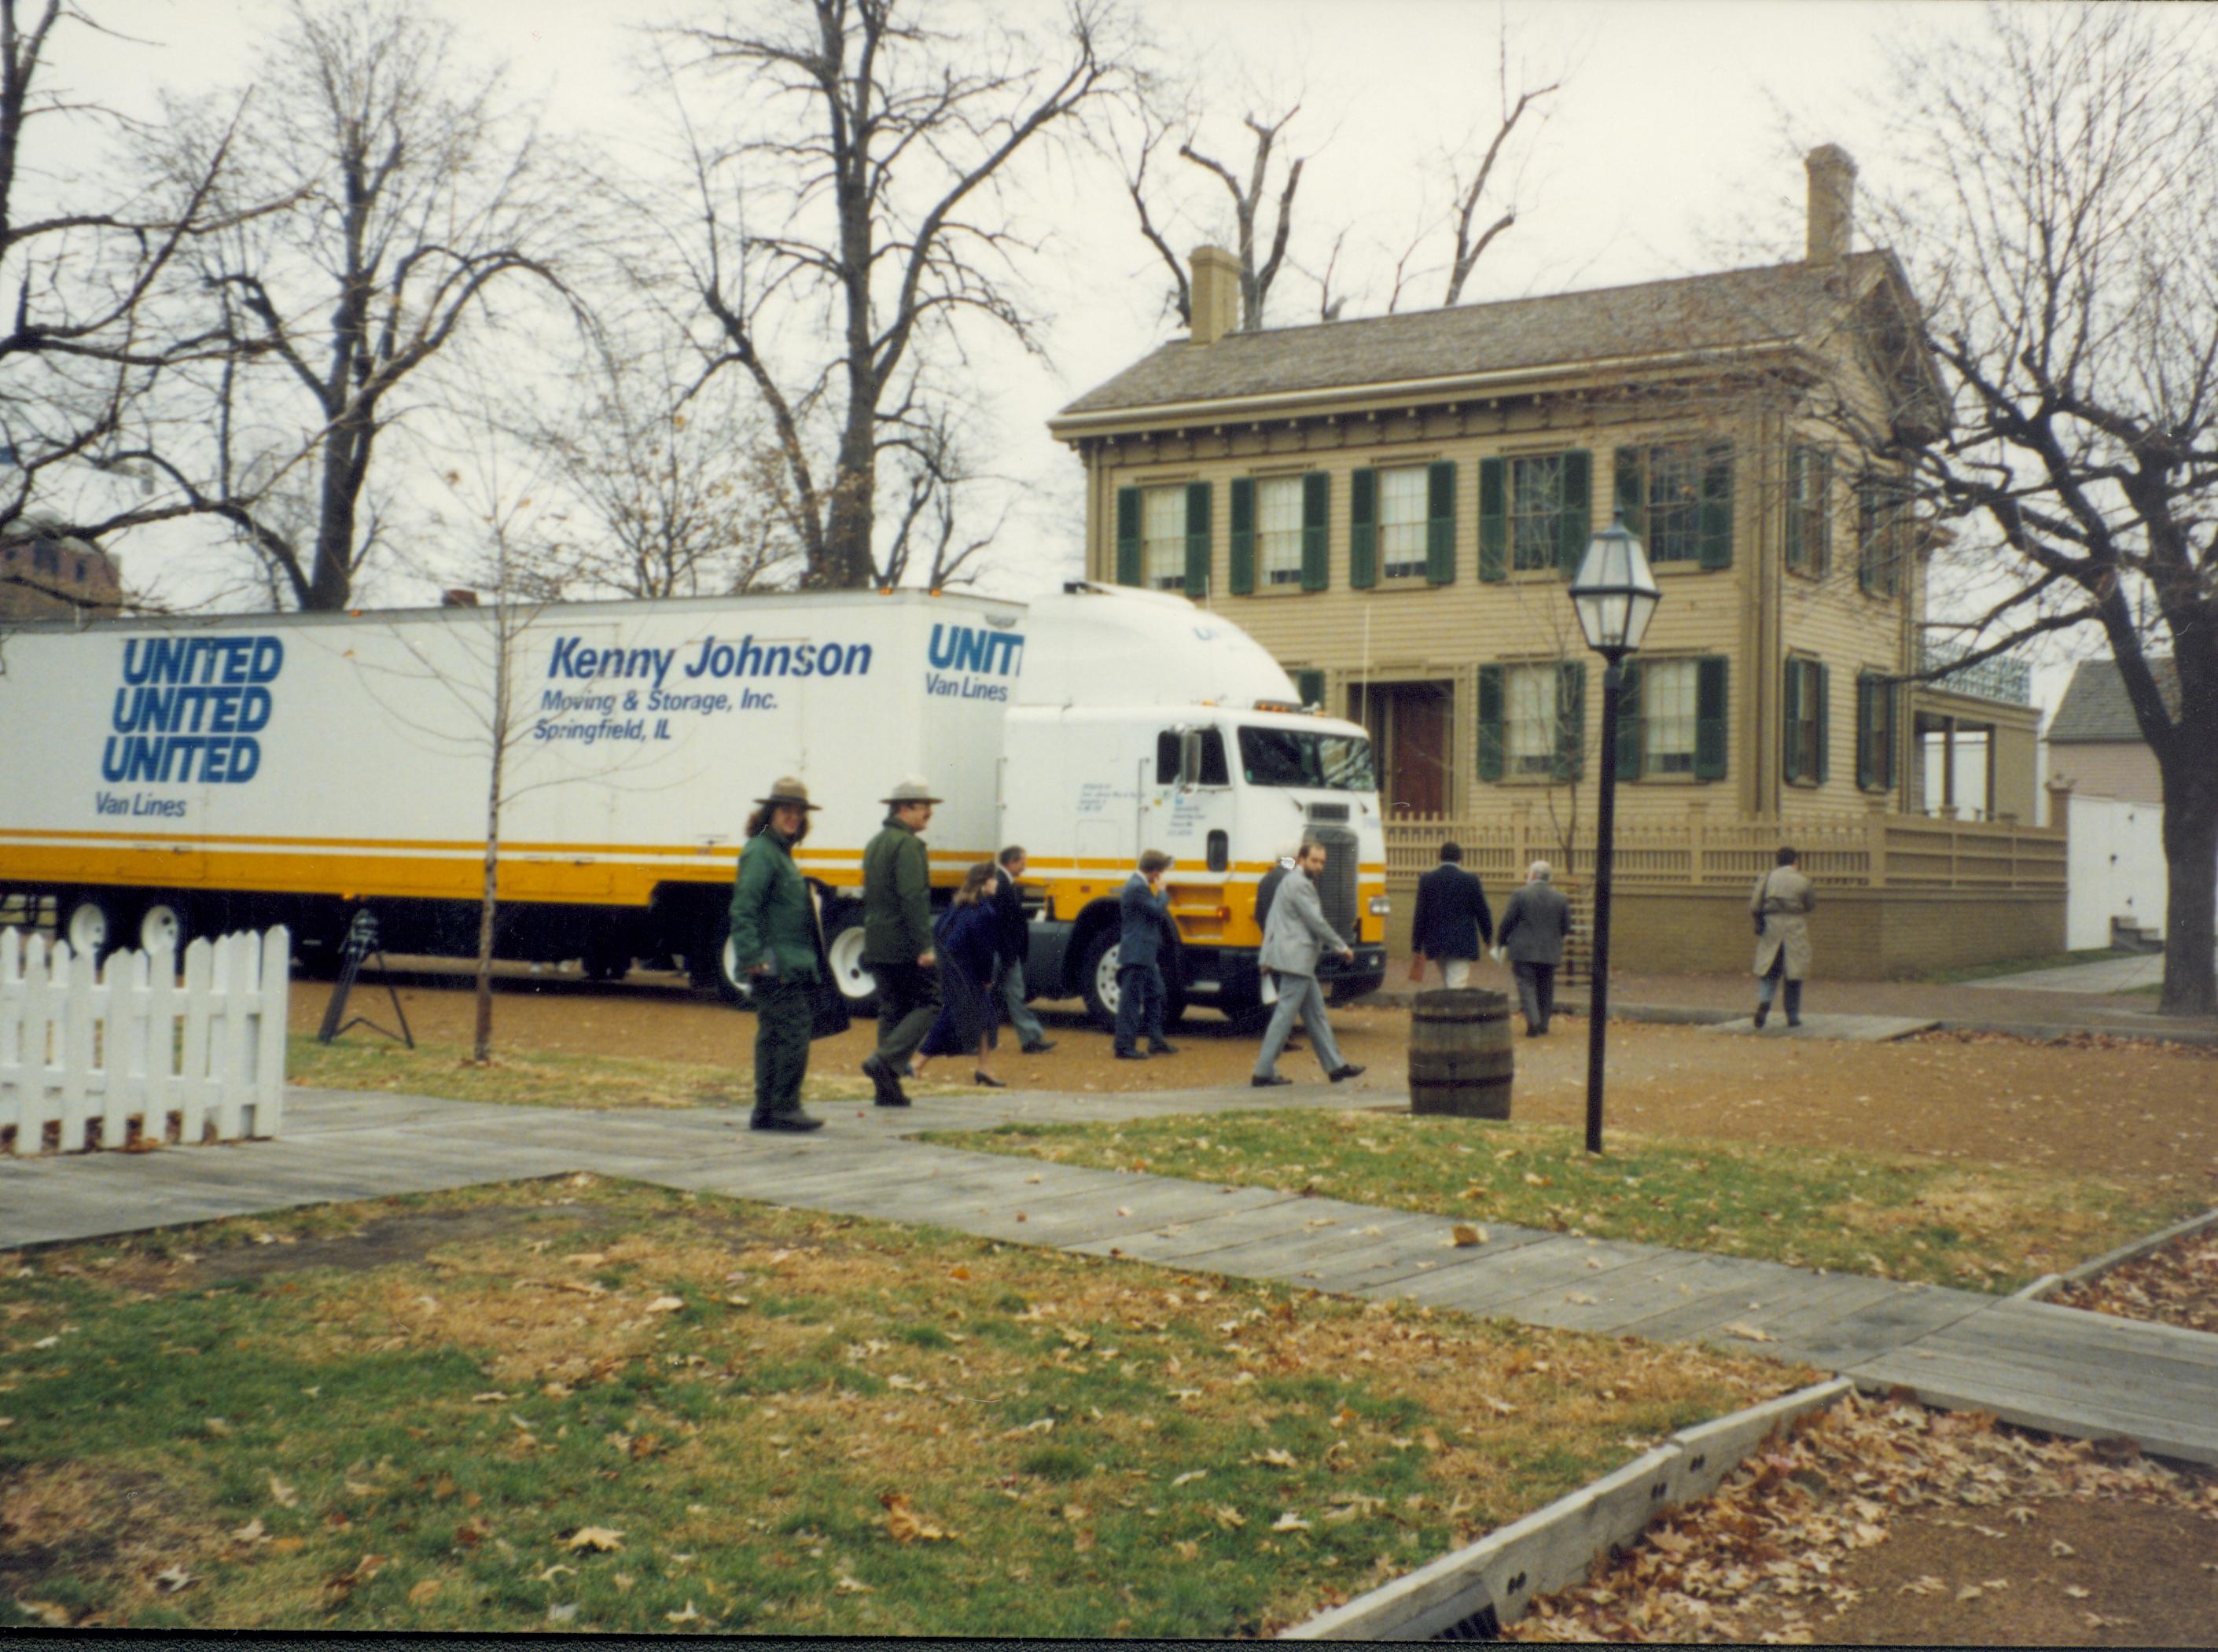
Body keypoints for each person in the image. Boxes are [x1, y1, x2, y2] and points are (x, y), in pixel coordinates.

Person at [727, 776, 832, 1132]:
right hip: (778, 963)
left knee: (774, 1033)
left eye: (799, 812)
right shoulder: (761, 851)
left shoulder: (777, 852)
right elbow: (744, 907)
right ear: (770, 812)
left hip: (786, 961)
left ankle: (767, 1110)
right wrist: (751, 955)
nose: (793, 817)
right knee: (793, 1031)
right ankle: (784, 1106)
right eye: (786, 810)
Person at [1251, 837, 1365, 1087]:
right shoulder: (1301, 885)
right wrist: (1341, 946)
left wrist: (1266, 955)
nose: (1319, 866)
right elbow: (1316, 921)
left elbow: (1271, 919)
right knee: (1284, 1017)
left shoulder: (1288, 881)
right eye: (1314, 860)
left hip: (1294, 958)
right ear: (1301, 860)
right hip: (1297, 959)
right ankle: (1262, 1071)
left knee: (1315, 1015)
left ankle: (1336, 1066)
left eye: (1322, 862)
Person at [860, 777, 942, 1108]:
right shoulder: (908, 846)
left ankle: (887, 1089)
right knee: (931, 1001)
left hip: (876, 940)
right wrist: (924, 944)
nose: (929, 815)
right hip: (903, 943)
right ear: (905, 808)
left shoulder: (876, 842)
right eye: (925, 808)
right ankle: (884, 1060)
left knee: (892, 1008)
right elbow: (913, 898)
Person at [916, 863, 1006, 1087]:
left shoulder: (958, 905)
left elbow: (940, 932)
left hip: (951, 967)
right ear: (986, 883)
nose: (996, 883)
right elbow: (985, 951)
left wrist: (937, 956)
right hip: (968, 973)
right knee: (954, 1017)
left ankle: (985, 1068)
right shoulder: (986, 911)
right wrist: (986, 979)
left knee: (986, 1015)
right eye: (994, 879)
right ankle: (916, 1064)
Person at [1113, 849, 1180, 1060]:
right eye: (1160, 871)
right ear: (1154, 871)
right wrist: (1162, 892)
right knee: (1132, 1000)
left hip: (1143, 953)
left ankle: (1155, 1040)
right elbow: (1156, 910)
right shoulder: (1137, 888)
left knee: (1155, 993)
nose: (1160, 876)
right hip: (1138, 952)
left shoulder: (1138, 886)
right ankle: (1124, 1046)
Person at [991, 845, 1055, 1054]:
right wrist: (1008, 954)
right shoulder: (1002, 884)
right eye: (1022, 861)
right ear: (1011, 862)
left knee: (1007, 996)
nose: (1025, 866)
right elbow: (1001, 923)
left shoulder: (1003, 882)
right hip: (1004, 953)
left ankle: (1030, 1039)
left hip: (1005, 953)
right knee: (1012, 995)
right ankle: (1030, 1039)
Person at [1497, 859, 1570, 1036]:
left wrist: (1501, 941)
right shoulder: (1561, 898)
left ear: (1533, 875)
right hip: (1550, 950)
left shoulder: (1520, 894)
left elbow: (1508, 920)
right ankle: (1544, 1023)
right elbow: (1566, 927)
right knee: (1546, 987)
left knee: (1526, 986)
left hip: (1524, 949)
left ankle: (1533, 1022)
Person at [1408, 841, 1492, 988]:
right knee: (1457, 983)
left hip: (1435, 941)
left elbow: (1420, 914)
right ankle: (1454, 1009)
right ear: (1460, 858)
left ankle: (1449, 1007)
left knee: (1449, 981)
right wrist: (1488, 937)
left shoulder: (1427, 880)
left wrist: (1417, 944)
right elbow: (1482, 911)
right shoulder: (1470, 880)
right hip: (1462, 942)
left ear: (1439, 857)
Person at [1751, 845, 1815, 1028]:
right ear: (1795, 861)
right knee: (1794, 973)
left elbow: (1755, 904)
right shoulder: (1803, 881)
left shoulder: (1768, 877)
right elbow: (1810, 905)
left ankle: (1764, 1003)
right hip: (1794, 928)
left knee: (1769, 970)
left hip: (1772, 928)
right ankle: (1792, 1016)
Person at [1253, 841, 1300, 933]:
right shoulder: (1294, 881)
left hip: (1270, 940)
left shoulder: (1265, 880)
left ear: (1277, 859)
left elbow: (1258, 915)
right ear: (1295, 859)